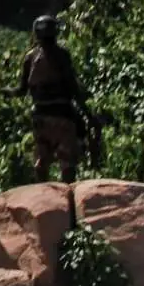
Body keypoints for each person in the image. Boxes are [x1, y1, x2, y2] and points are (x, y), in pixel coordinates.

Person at [9, 15, 89, 183]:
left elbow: (21, 90)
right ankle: (68, 198)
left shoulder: (30, 57)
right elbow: (73, 88)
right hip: (63, 116)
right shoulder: (62, 55)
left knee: (41, 161)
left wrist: (6, 91)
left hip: (40, 117)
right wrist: (89, 115)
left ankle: (44, 197)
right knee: (67, 162)